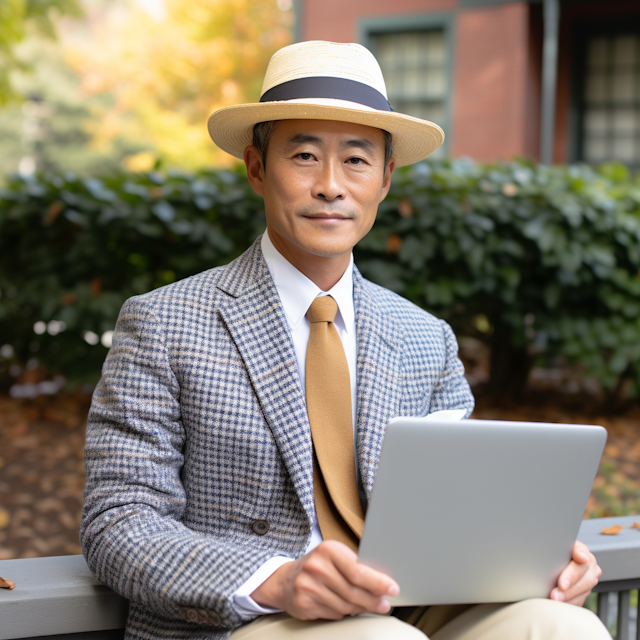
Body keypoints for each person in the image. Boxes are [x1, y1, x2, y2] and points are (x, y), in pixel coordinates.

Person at [81, 40, 608, 640]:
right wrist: (276, 578)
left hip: (403, 604)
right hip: (250, 619)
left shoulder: (424, 338)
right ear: (257, 168)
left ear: (385, 178)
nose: (330, 185)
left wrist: (534, 559)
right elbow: (118, 522)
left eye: (356, 161)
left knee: (563, 625)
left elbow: (458, 513)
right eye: (304, 155)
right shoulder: (164, 324)